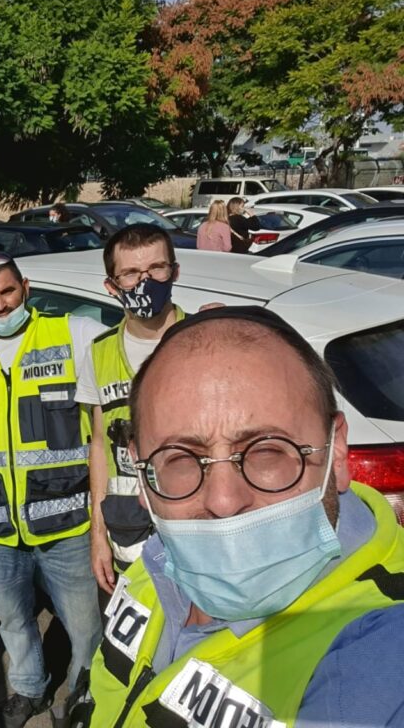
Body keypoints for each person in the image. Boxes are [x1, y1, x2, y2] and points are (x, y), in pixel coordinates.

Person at [84, 306, 404, 727]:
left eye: (268, 451)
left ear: (337, 449)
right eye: (180, 458)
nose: (223, 501)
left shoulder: (378, 651)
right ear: (141, 471)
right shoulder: (157, 560)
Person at [0, 253, 105, 728]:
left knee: (85, 625)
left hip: (68, 521)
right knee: (12, 619)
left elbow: (128, 361)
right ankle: (29, 688)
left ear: (26, 288)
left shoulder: (73, 335)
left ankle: (83, 691)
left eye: (7, 292)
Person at [88, 225, 187, 599]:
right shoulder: (99, 352)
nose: (145, 282)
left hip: (197, 535)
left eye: (156, 268)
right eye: (130, 273)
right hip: (129, 542)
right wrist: (98, 536)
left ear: (174, 272)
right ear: (111, 286)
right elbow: (99, 446)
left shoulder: (205, 339)